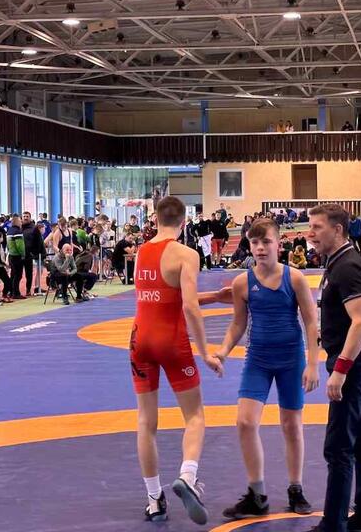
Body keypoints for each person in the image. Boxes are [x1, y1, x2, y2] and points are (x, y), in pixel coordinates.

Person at [212, 218, 319, 519]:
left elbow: (311, 322)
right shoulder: (242, 283)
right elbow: (238, 323)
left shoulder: (294, 278)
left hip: (291, 359)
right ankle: (257, 495)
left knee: (291, 425)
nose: (260, 248)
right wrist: (223, 351)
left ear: (278, 243)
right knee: (245, 422)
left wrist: (313, 363)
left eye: (266, 242)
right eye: (254, 243)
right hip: (257, 359)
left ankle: (295, 488)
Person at [129, 196, 226, 525]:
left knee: (146, 422)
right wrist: (204, 351)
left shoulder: (141, 252)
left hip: (139, 340)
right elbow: (188, 306)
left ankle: (154, 499)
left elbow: (160, 296)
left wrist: (214, 297)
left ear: (155, 219)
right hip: (171, 341)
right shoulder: (186, 254)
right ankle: (187, 476)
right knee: (195, 416)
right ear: (184, 223)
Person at [306, 203, 361, 532]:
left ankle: (333, 523)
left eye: (317, 227)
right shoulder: (338, 262)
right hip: (354, 359)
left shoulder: (347, 266)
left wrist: (340, 370)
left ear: (337, 230)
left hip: (352, 362)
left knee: (338, 447)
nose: (310, 234)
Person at [6, 214, 26, 299]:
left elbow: (7, 245)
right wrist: (23, 254)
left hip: (11, 255)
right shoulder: (18, 231)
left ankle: (11, 292)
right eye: (20, 221)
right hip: (17, 256)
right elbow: (20, 245)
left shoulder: (9, 231)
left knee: (13, 275)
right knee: (18, 276)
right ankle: (16, 293)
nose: (21, 222)